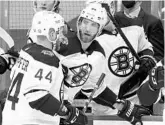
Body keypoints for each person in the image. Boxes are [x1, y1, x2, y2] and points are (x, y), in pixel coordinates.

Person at [57, 3, 152, 125]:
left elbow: (94, 89)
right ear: (79, 23)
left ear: (100, 29)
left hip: (62, 114)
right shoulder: (62, 46)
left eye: (93, 25)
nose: (87, 29)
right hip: (45, 111)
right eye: (85, 22)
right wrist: (64, 110)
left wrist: (123, 107)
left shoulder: (98, 54)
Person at [2, 11, 87, 125]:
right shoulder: (47, 58)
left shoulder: (27, 50)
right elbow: (37, 96)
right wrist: (69, 114)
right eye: (60, 32)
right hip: (33, 121)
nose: (63, 38)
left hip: (12, 118)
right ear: (52, 34)